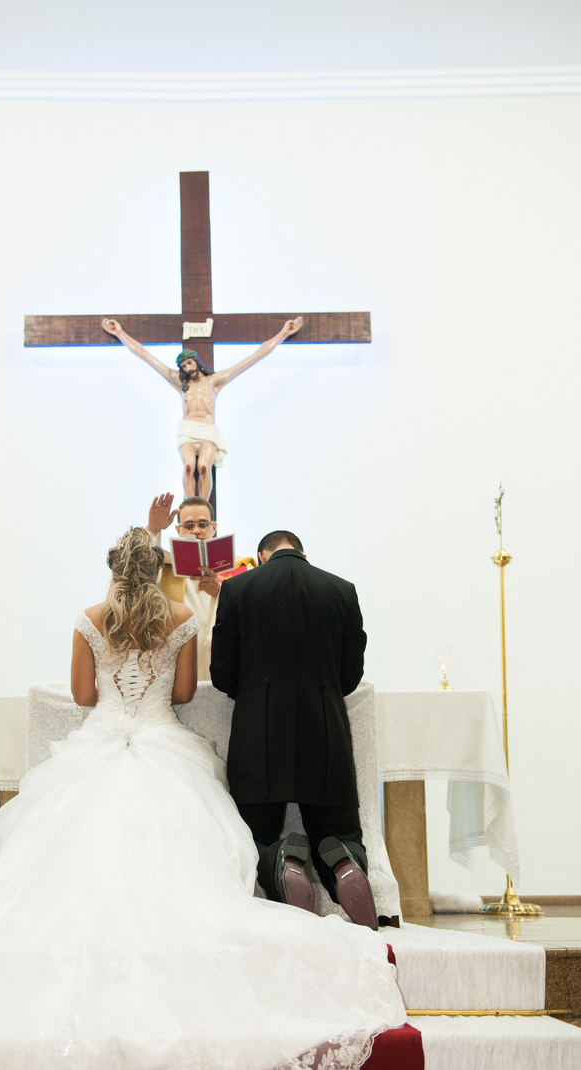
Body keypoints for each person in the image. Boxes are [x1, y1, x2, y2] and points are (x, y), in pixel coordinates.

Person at [0, 528, 404, 1070]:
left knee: (67, 864)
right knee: (191, 856)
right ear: (157, 570)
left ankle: (279, 864)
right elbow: (181, 694)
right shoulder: (183, 616)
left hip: (100, 744)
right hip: (170, 744)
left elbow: (81, 694)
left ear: (112, 569)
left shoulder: (89, 618)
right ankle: (317, 862)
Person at [210, 530, 378, 930]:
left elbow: (221, 672)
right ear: (303, 554)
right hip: (325, 731)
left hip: (259, 732)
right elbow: (350, 673)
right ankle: (344, 861)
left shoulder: (237, 589)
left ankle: (279, 858)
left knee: (254, 834)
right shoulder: (341, 590)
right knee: (338, 829)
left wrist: (254, 693)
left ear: (261, 557)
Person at [102, 317, 303, 500]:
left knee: (204, 467)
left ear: (196, 361)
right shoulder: (179, 382)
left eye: (189, 363)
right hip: (188, 429)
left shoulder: (214, 381)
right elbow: (145, 355)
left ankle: (203, 507)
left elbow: (255, 356)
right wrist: (120, 333)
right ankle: (189, 505)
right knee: (189, 467)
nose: (187, 368)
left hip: (207, 429)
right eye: (183, 366)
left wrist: (283, 334)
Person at [147, 491, 226, 681]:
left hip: (220, 669)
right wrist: (153, 529)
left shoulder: (235, 569)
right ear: (178, 530)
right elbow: (140, 568)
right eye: (188, 525)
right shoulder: (165, 568)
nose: (196, 530)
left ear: (213, 528)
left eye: (202, 524)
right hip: (177, 671)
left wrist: (222, 593)